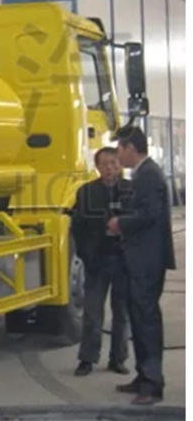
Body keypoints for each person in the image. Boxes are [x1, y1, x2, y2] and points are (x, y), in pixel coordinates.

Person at [107, 126, 176, 405]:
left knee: (146, 322)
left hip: (147, 260)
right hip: (139, 258)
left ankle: (152, 384)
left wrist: (120, 223)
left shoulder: (149, 175)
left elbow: (150, 214)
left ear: (131, 149)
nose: (117, 155)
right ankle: (143, 375)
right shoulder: (143, 173)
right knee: (139, 319)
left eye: (119, 149)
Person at [71, 147, 131, 377]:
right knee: (92, 313)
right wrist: (86, 254)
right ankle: (87, 359)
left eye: (114, 163)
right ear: (97, 167)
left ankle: (118, 359)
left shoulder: (130, 190)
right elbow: (78, 227)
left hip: (124, 261)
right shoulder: (86, 192)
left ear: (120, 164)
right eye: (105, 164)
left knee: (122, 312)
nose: (110, 168)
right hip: (97, 261)